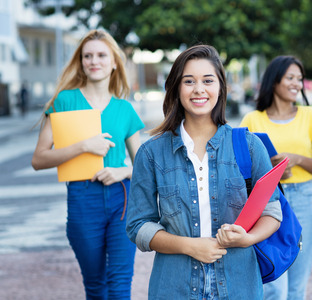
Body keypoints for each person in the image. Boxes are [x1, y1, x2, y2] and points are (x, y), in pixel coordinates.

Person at [126, 44, 282, 300]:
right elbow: (137, 226)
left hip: (238, 285)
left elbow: (272, 211)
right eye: (189, 81)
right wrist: (190, 246)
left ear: (221, 87)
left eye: (208, 80)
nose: (199, 89)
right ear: (176, 88)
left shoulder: (249, 146)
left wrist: (247, 238)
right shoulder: (151, 153)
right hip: (175, 287)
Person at [31, 29, 145, 299]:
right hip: (83, 200)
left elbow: (144, 165)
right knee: (95, 286)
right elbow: (39, 159)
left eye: (102, 55)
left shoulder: (125, 109)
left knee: (119, 285)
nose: (94, 61)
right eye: (88, 56)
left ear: (114, 62)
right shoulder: (64, 101)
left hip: (122, 201)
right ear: (81, 62)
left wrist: (122, 171)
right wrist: (83, 146)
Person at [240, 55, 312, 300]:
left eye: (300, 79)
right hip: (267, 202)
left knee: (296, 288)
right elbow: (242, 168)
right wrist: (269, 169)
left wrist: (297, 160)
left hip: (303, 199)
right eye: (290, 77)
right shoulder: (252, 119)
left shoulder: (311, 115)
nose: (297, 84)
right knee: (273, 285)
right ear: (274, 81)